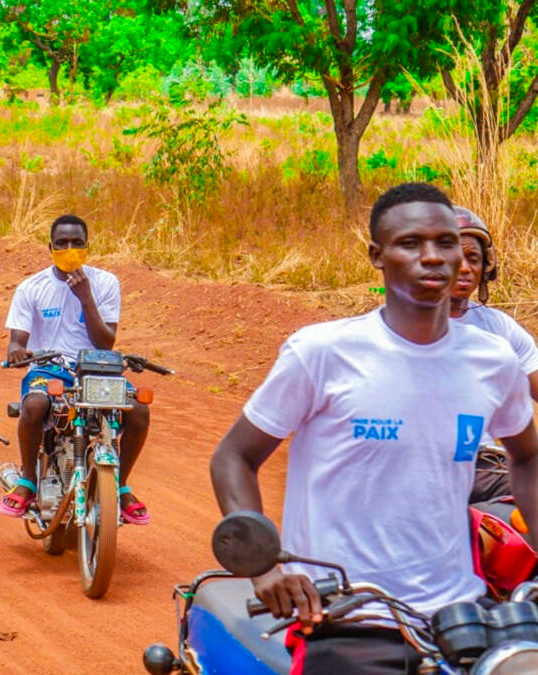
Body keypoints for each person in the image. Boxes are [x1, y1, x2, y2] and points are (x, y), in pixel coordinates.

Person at [210, 183, 538, 673]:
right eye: (411, 243)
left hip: (461, 616)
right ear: (377, 256)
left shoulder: (492, 360)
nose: (433, 257)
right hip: (345, 614)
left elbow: (528, 455)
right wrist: (261, 568)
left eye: (446, 243)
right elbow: (234, 456)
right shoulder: (321, 353)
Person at [1, 214, 151, 523]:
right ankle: (28, 481)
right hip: (49, 369)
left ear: (86, 247)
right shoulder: (32, 288)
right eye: (62, 243)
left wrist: (85, 297)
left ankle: (120, 487)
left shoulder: (105, 283)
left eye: (77, 243)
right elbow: (16, 341)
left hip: (96, 370)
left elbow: (105, 342)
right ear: (50, 247)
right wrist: (18, 352)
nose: (70, 248)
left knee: (138, 411)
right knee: (34, 404)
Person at [448, 207, 538, 503]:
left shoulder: (498, 328)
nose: (464, 268)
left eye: (473, 258)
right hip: (415, 471)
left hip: (485, 466)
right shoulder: (396, 331)